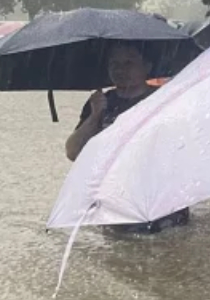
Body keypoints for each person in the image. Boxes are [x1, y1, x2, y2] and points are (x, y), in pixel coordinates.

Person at [65, 44, 189, 233]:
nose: (120, 69)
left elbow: (184, 148)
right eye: (114, 64)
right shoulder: (99, 103)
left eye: (129, 62)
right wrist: (94, 116)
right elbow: (73, 152)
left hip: (164, 201)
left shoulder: (164, 99)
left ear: (147, 66)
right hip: (117, 203)